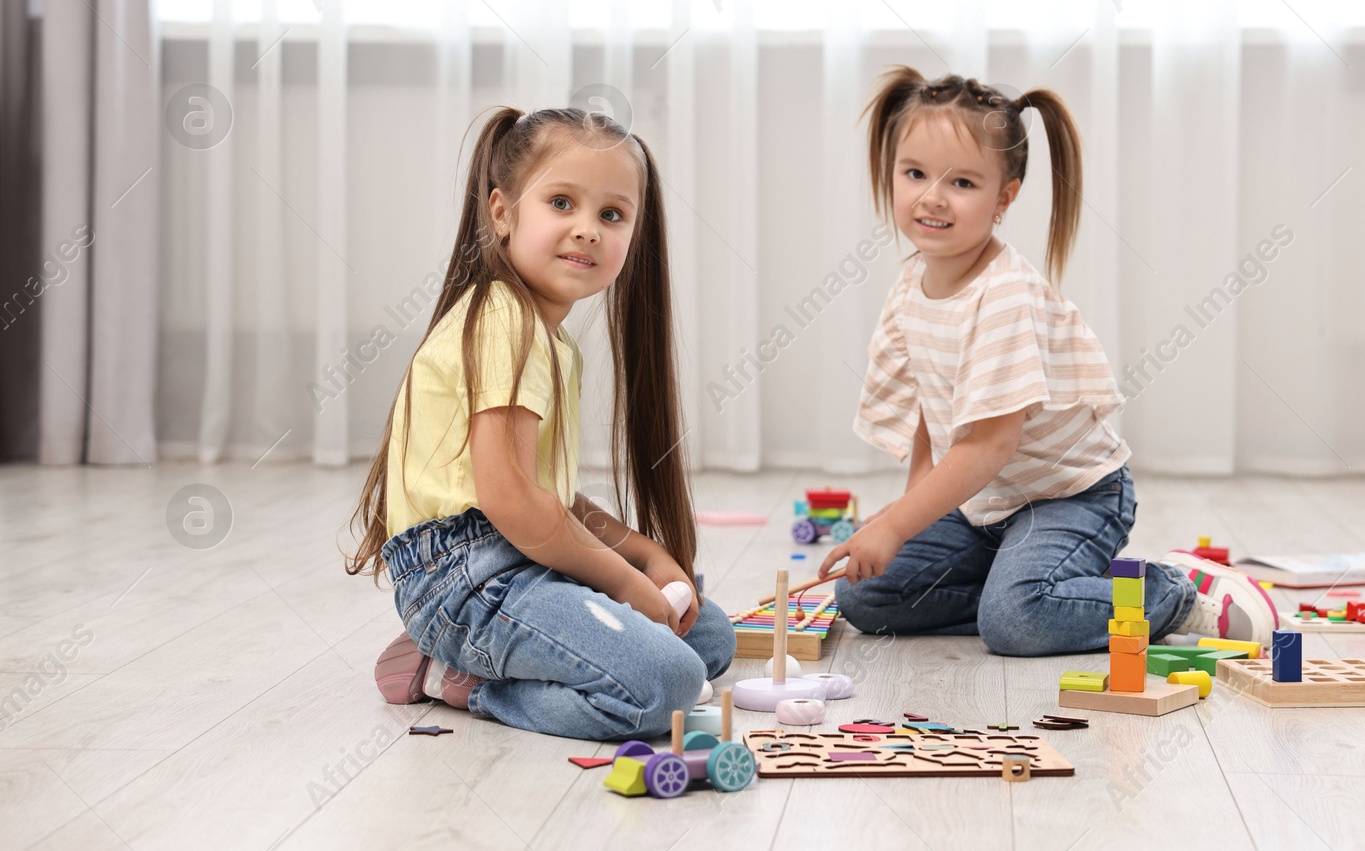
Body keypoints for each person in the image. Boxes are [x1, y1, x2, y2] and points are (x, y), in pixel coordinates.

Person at [821, 68, 1277, 656]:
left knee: (1015, 622)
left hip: (1071, 496)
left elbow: (988, 445)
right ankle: (1024, 589)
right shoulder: (912, 284)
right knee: (866, 599)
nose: (931, 196)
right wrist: (908, 515)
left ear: (1004, 197)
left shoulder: (1003, 294)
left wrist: (896, 525)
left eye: (961, 182)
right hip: (986, 505)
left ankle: (1173, 593)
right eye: (914, 174)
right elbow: (931, 420)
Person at [345, 106, 732, 739]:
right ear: (502, 212)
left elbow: (549, 501)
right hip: (466, 582)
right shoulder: (503, 322)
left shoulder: (552, 343)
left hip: (515, 560)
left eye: (611, 215)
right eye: (561, 203)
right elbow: (513, 504)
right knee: (669, 685)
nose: (588, 230)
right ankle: (460, 679)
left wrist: (643, 554)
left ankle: (502, 659)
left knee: (708, 635)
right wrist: (629, 586)